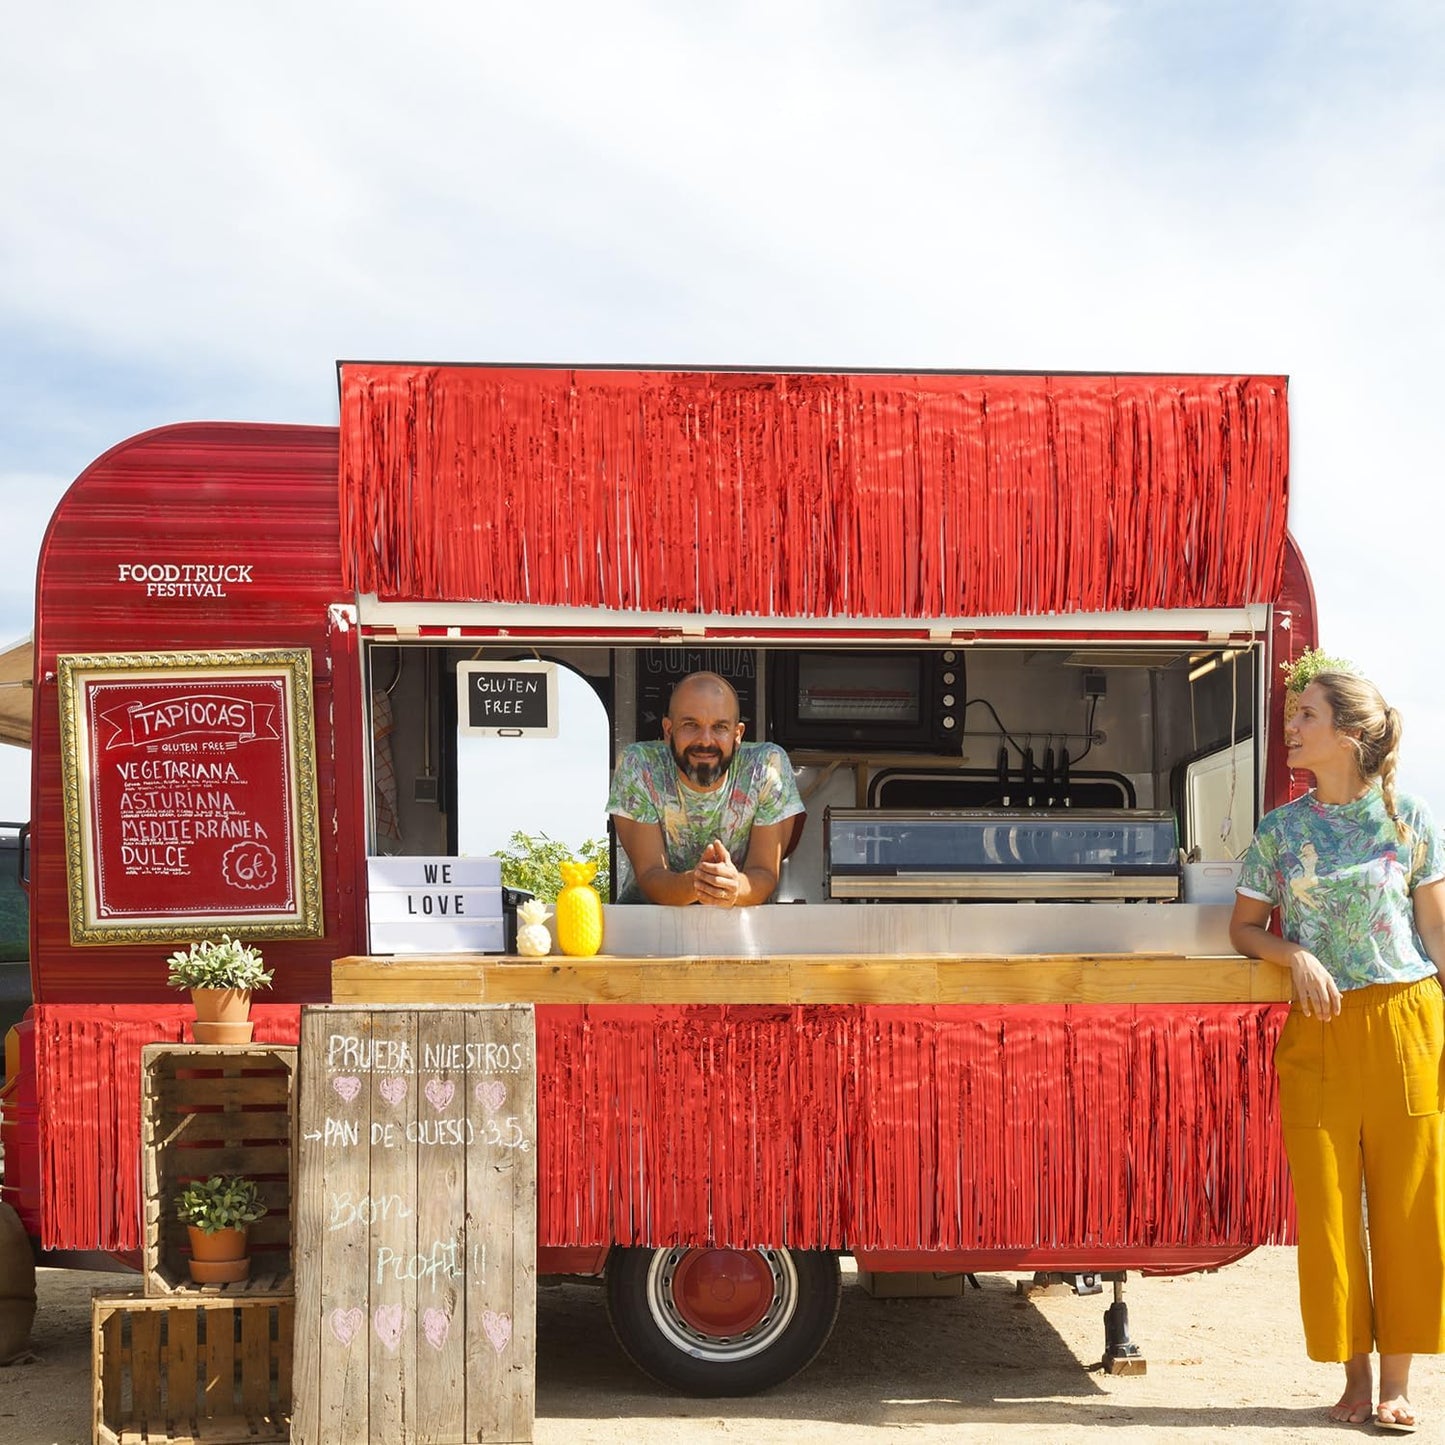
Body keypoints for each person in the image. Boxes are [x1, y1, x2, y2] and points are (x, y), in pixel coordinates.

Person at [1229, 670, 1445, 1433]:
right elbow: (1242, 927)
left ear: (1349, 733)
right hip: (1318, 1029)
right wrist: (1293, 954)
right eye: (1292, 715)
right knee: (1326, 1210)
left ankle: (1396, 1384)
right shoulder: (1279, 830)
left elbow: (1435, 928)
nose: (1290, 727)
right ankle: (1353, 1377)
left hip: (1405, 1022)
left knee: (1409, 1205)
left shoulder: (1407, 816)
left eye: (1306, 715)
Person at [607, 671, 804, 906]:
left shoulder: (766, 767)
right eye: (691, 725)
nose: (706, 740)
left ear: (737, 734)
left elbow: (764, 872)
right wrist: (699, 883)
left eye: (720, 727)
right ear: (668, 730)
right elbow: (651, 874)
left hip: (738, 923)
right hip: (647, 921)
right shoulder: (640, 765)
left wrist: (734, 886)